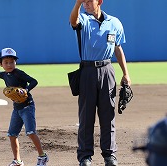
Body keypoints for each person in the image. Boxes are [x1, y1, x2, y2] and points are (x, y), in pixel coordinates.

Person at [69, 0, 131, 166]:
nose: (86, 4)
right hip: (87, 71)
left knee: (108, 115)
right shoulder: (83, 19)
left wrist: (126, 73)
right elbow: (72, 21)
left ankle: (109, 155)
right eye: (84, 1)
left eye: (89, 1)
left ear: (100, 2)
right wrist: (77, 3)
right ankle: (85, 156)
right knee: (86, 116)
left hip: (107, 70)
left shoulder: (114, 22)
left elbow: (118, 48)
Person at [0, 48, 49, 166]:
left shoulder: (19, 73)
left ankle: (42, 156)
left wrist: (26, 90)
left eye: (11, 61)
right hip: (17, 108)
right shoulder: (4, 75)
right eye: (6, 62)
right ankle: (17, 160)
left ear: (15, 62)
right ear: (1, 64)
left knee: (30, 132)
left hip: (28, 107)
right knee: (12, 135)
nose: (9, 64)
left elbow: (34, 81)